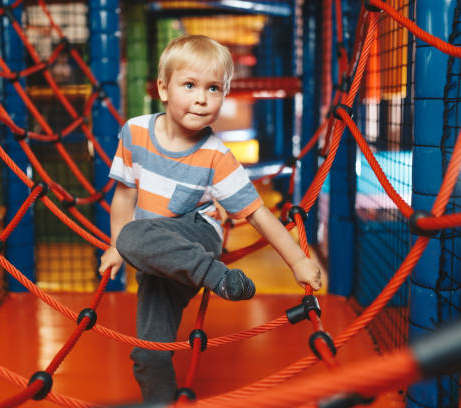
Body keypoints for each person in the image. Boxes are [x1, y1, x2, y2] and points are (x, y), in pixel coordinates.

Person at [98, 34, 321, 403]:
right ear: (163, 89)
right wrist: (116, 247)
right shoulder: (134, 132)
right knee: (147, 353)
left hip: (197, 237)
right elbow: (124, 193)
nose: (202, 98)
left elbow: (258, 215)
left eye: (214, 88)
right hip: (157, 254)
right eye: (189, 85)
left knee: (135, 237)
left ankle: (219, 278)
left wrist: (299, 260)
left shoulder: (217, 157)